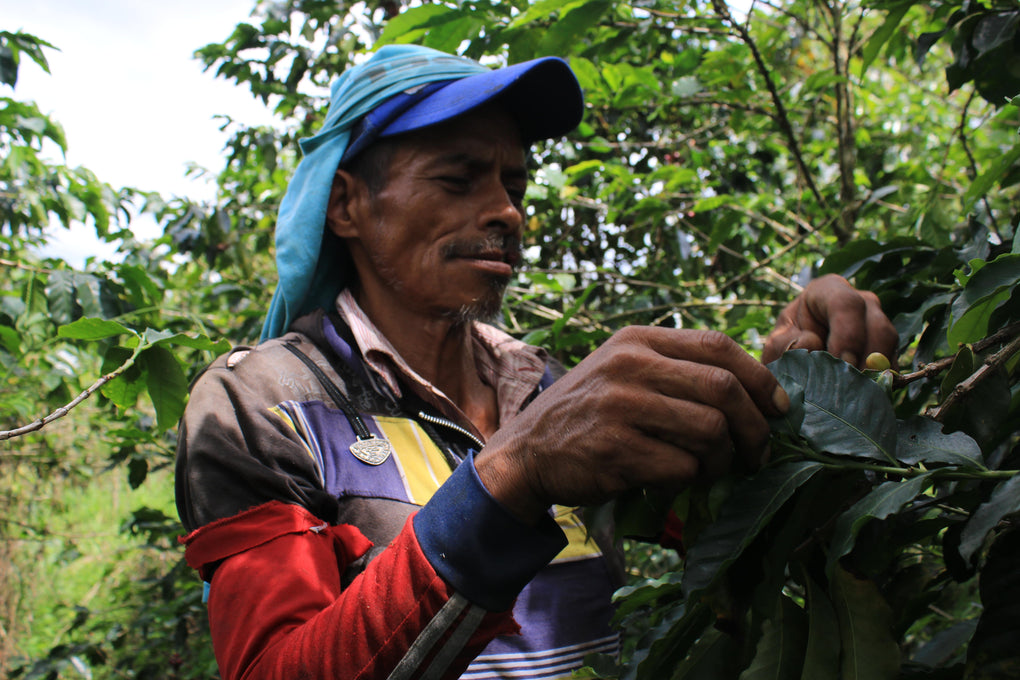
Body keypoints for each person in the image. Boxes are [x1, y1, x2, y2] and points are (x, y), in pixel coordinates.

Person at [175, 44, 897, 680]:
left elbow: (740, 538)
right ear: (346, 206)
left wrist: (807, 391)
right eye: (458, 181)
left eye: (514, 186)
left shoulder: (545, 386)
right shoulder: (262, 406)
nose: (507, 212)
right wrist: (510, 475)